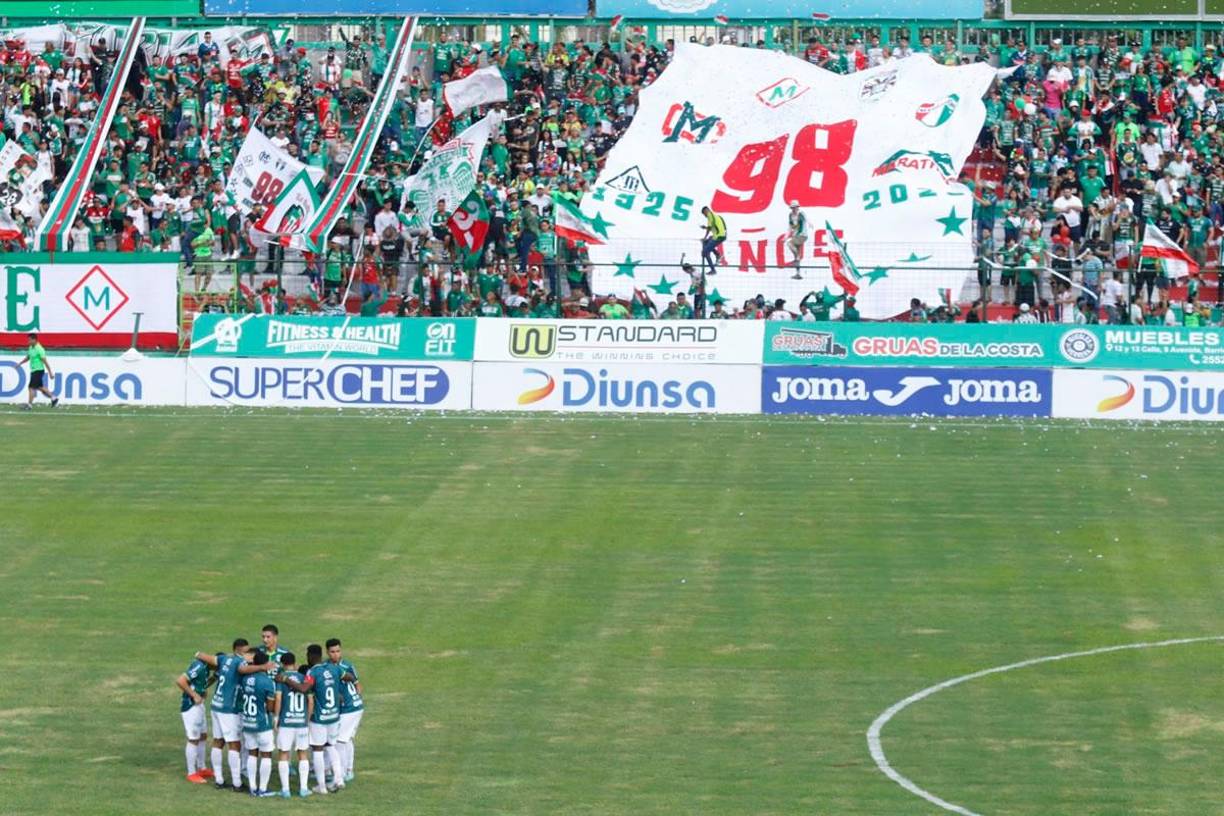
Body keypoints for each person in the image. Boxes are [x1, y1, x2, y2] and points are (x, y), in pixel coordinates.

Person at [192, 639, 270, 792]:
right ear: (242, 652)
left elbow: (201, 655)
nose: (251, 658)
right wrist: (262, 666)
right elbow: (241, 670)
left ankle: (219, 780)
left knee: (218, 741)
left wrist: (198, 655)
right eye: (249, 653)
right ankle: (237, 783)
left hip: (216, 705)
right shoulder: (240, 662)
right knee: (234, 744)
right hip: (229, 709)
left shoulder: (224, 658)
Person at [278, 643, 347, 794]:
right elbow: (348, 677)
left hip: (319, 718)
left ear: (310, 656)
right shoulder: (334, 668)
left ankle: (321, 786)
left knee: (317, 749)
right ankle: (339, 779)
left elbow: (304, 688)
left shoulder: (312, 672)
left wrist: (285, 680)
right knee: (331, 746)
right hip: (334, 716)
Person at [239, 652, 278, 797]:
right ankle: (262, 789)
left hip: (248, 722)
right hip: (262, 724)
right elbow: (269, 706)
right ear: (266, 664)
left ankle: (252, 787)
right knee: (266, 755)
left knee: (252, 754)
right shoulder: (268, 682)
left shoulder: (245, 679)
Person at [275, 652, 313, 799]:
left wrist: (276, 717)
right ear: (294, 662)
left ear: (283, 664)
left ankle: (285, 790)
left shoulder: (281, 679)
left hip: (286, 722)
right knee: (302, 754)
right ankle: (303, 789)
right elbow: (310, 701)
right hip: (301, 722)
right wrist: (307, 719)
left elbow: (278, 698)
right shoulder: (304, 678)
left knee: (284, 754)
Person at [330, 639, 364, 783]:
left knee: (340, 741)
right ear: (328, 652)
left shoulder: (347, 665)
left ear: (341, 651)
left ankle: (341, 774)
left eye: (338, 651)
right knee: (347, 739)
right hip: (355, 708)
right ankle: (349, 770)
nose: (335, 654)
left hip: (350, 709)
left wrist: (354, 698)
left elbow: (358, 684)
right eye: (332, 652)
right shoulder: (330, 666)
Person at [177, 655, 214, 783]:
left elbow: (201, 684)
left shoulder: (206, 669)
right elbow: (181, 681)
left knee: (203, 736)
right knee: (193, 739)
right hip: (191, 707)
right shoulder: (199, 666)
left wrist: (213, 679)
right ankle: (191, 773)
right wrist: (194, 695)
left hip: (199, 705)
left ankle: (201, 767)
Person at [18, 332, 58, 409]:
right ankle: (54, 398)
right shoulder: (31, 347)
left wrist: (50, 373)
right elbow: (28, 357)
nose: (28, 342)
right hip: (34, 370)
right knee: (40, 387)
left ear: (35, 340)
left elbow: (45, 362)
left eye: (29, 340)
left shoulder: (40, 349)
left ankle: (29, 405)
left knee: (31, 387)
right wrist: (20, 363)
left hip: (38, 370)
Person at [699, 205, 726, 279]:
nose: (704, 216)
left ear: (706, 211)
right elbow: (714, 227)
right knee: (707, 242)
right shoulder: (716, 216)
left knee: (704, 252)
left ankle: (713, 270)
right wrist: (705, 227)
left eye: (704, 214)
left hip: (718, 237)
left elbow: (709, 229)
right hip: (721, 235)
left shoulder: (709, 215)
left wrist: (704, 237)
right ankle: (717, 255)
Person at [785, 201, 807, 279]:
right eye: (792, 207)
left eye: (795, 207)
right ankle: (798, 273)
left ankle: (797, 258)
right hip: (795, 235)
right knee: (795, 254)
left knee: (789, 243)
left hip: (802, 235)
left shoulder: (800, 214)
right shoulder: (790, 215)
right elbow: (790, 227)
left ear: (797, 207)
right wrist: (786, 236)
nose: (794, 209)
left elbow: (803, 222)